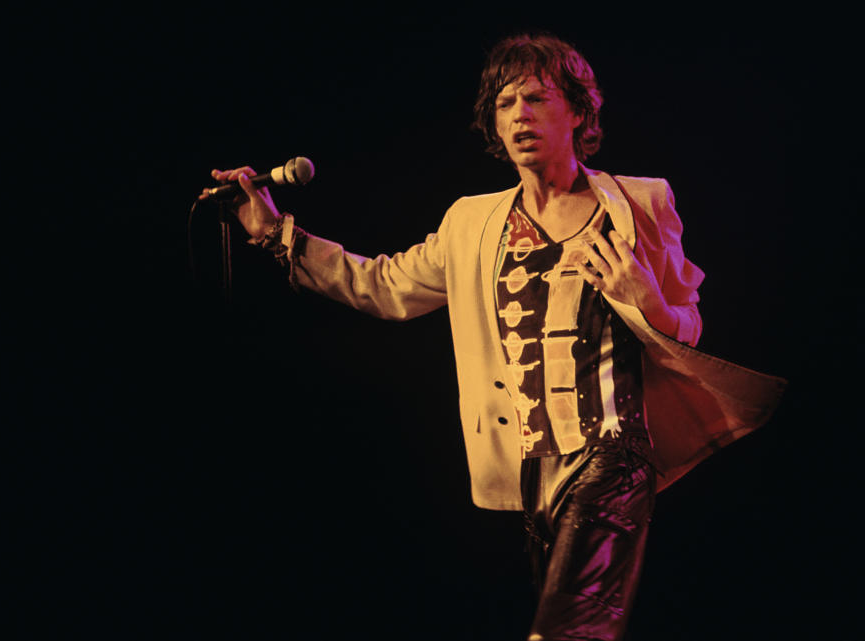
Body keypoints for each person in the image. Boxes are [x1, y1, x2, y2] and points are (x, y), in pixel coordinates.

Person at [202, 33, 785, 641]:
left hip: (615, 453)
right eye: (505, 104)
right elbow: (383, 285)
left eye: (535, 98)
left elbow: (688, 326)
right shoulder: (472, 222)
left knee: (566, 631)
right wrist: (277, 235)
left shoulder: (641, 202)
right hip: (531, 470)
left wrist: (646, 297)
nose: (519, 116)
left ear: (579, 113)